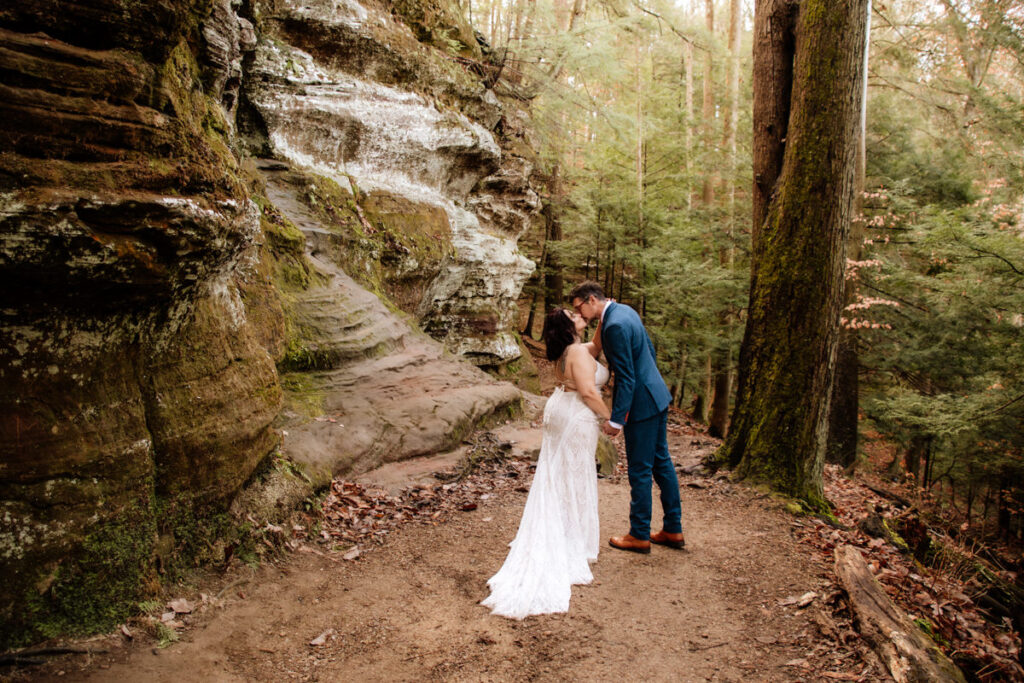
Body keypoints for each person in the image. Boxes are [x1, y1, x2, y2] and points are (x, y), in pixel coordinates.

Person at [481, 307, 610, 619]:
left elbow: (595, 345)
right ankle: (569, 538)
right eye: (573, 313)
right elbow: (590, 391)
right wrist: (611, 420)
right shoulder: (576, 351)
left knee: (560, 475)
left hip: (561, 408)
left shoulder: (573, 349)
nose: (579, 313)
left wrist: (605, 317)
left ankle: (569, 532)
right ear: (568, 326)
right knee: (573, 476)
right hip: (575, 413)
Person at [569, 281, 685, 554]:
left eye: (579, 307)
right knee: (662, 463)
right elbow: (649, 352)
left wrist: (617, 419)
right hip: (656, 394)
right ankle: (673, 528)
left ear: (590, 300)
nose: (580, 313)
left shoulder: (614, 326)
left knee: (640, 469)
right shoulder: (624, 311)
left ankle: (639, 534)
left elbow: (626, 376)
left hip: (642, 405)